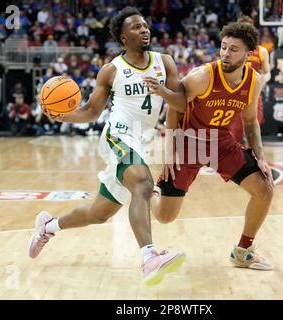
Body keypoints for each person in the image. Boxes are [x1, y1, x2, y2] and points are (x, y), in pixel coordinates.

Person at [28, 7, 186, 286]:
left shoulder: (165, 63)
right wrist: (63, 115)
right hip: (119, 134)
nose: (144, 29)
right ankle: (149, 257)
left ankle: (48, 226)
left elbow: (181, 103)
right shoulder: (112, 70)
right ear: (124, 38)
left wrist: (162, 92)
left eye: (145, 25)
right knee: (142, 183)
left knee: (99, 214)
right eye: (136, 27)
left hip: (143, 139)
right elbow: (90, 111)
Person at [150, 22, 275, 270]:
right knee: (165, 217)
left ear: (249, 53)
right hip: (189, 143)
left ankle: (243, 251)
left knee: (265, 189)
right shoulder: (200, 77)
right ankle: (149, 193)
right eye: (224, 47)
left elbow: (250, 120)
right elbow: (174, 108)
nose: (226, 53)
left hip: (221, 141)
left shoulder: (254, 81)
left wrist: (260, 157)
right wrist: (170, 152)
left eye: (234, 49)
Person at [232, 16, 271, 143]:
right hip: (236, 94)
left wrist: (262, 80)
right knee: (235, 133)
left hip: (253, 94)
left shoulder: (261, 51)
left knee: (253, 130)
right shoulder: (232, 50)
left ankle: (254, 159)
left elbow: (267, 72)